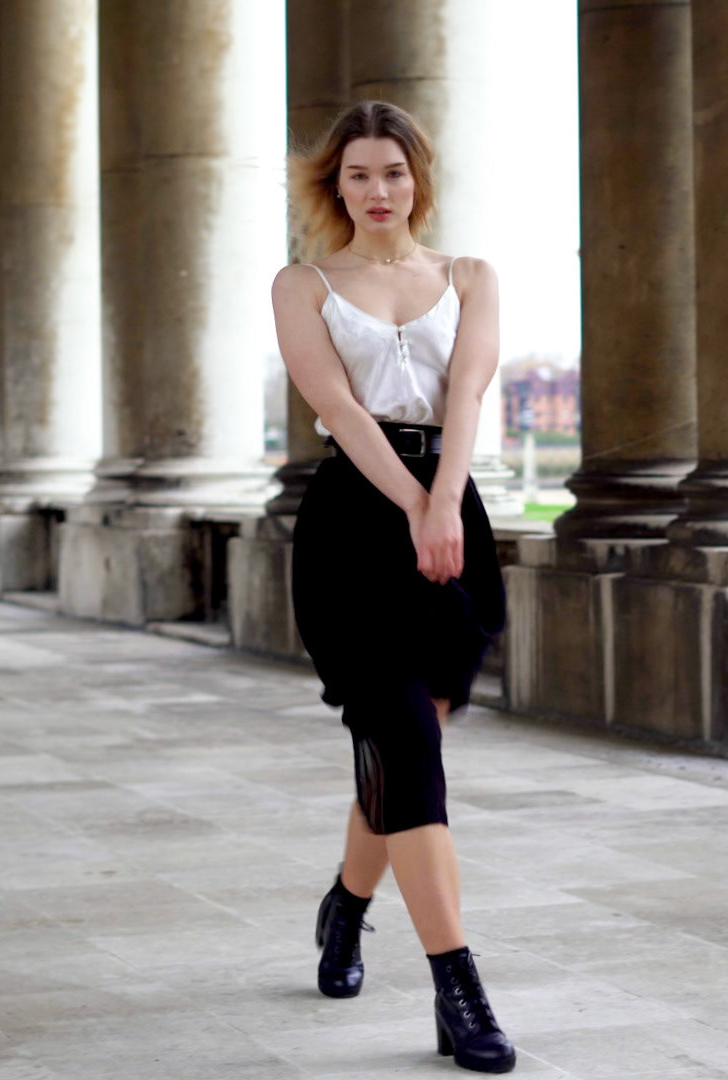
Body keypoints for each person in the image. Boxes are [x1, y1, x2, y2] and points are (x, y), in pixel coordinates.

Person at [271, 100, 515, 1075]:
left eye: (394, 172)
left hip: (452, 520)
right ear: (335, 186)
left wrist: (444, 502)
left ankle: (347, 903)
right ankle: (459, 990)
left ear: (420, 178)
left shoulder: (471, 277)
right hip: (353, 529)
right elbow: (337, 406)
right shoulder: (304, 284)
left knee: (405, 750)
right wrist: (414, 503)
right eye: (359, 175)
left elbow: (468, 393)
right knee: (405, 743)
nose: (378, 191)